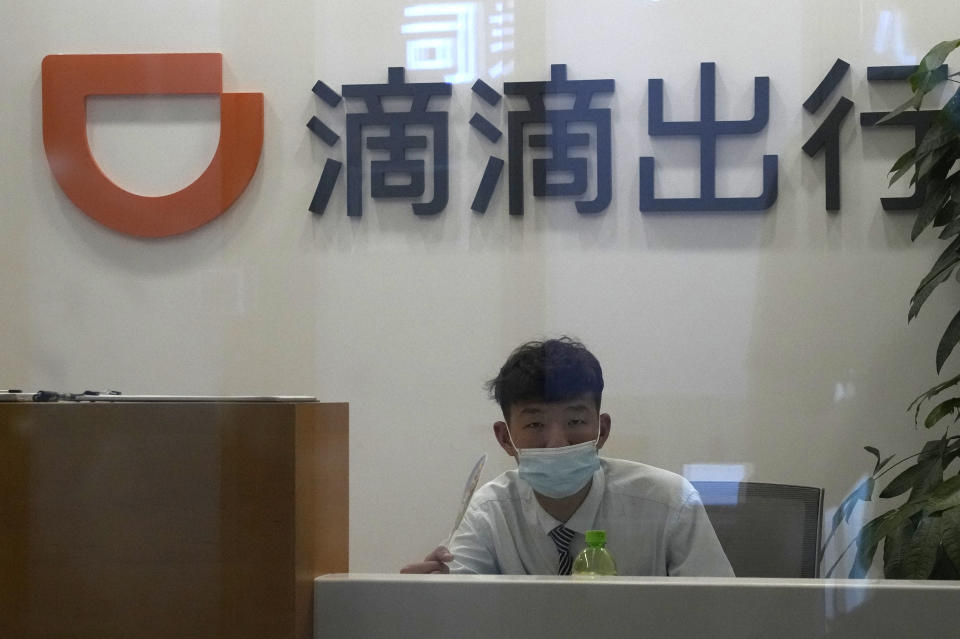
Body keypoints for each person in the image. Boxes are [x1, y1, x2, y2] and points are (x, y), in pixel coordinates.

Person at [401, 337, 733, 576]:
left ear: (601, 430)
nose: (557, 442)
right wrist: (429, 602)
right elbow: (455, 606)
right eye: (535, 424)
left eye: (575, 421)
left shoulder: (671, 504)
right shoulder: (490, 512)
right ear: (505, 438)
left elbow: (724, 617)